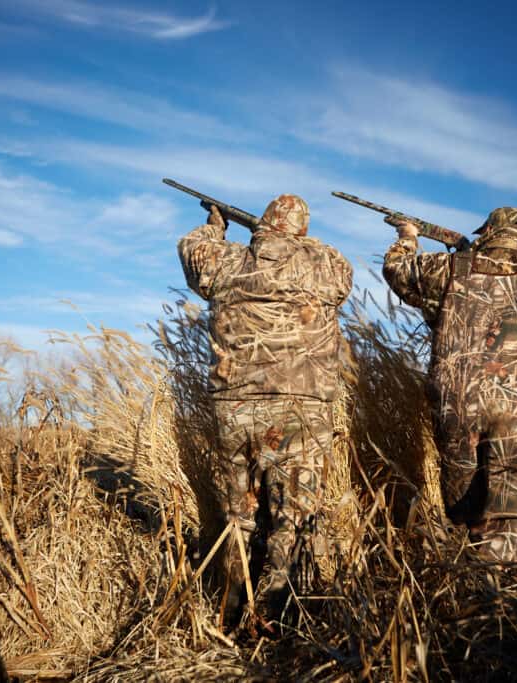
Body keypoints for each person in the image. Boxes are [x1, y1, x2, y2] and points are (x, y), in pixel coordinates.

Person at [177, 194, 352, 631]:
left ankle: (230, 609)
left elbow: (192, 251)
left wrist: (216, 224)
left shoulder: (230, 261)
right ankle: (279, 615)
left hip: (236, 408)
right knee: (293, 514)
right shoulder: (326, 263)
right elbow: (345, 277)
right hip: (303, 410)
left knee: (238, 514)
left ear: (264, 224)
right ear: (302, 229)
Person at [382, 207, 517, 562]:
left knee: (466, 507)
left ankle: (472, 580)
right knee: (516, 504)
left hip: (458, 400)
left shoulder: (450, 267)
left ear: (488, 231)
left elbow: (397, 271)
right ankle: (514, 583)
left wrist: (408, 236)